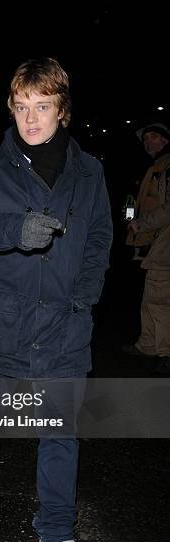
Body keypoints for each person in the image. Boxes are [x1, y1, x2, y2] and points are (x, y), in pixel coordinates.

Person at [0, 58, 112, 542]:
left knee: (60, 430)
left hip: (65, 326)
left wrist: (84, 295)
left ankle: (58, 533)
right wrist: (15, 228)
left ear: (62, 111)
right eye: (21, 108)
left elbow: (99, 238)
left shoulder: (90, 172)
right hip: (5, 318)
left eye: (42, 107)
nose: (31, 119)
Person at [122, 123, 170, 372]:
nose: (148, 142)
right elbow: (135, 202)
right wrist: (131, 219)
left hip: (165, 244)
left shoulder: (167, 167)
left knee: (161, 300)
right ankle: (148, 344)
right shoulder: (153, 168)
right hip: (152, 244)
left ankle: (166, 351)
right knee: (151, 297)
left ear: (164, 141)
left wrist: (142, 223)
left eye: (153, 137)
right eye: (145, 139)